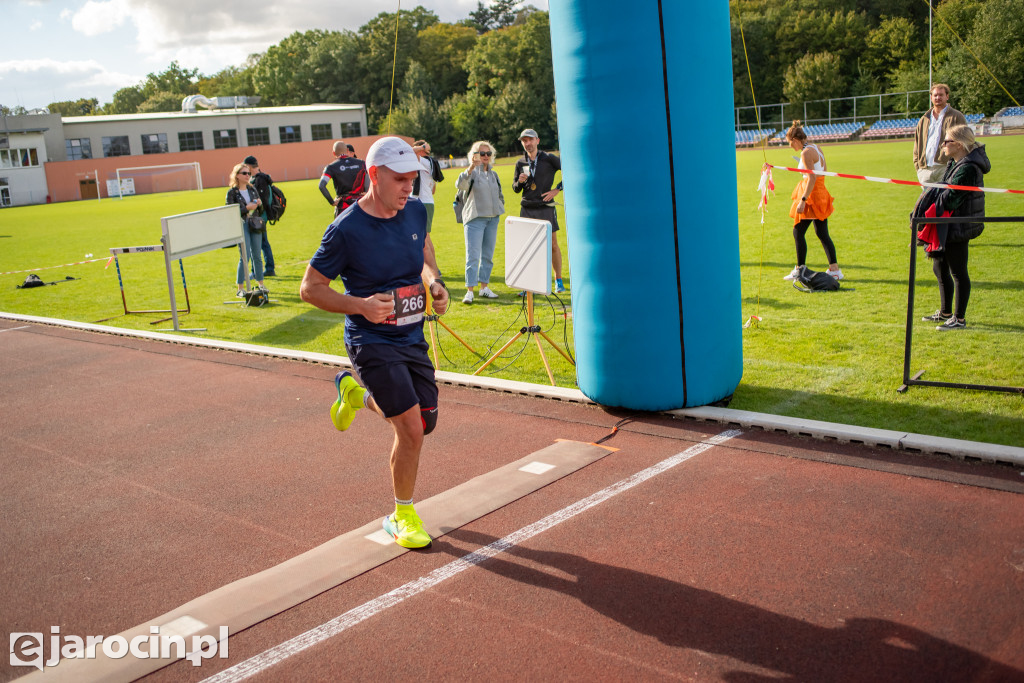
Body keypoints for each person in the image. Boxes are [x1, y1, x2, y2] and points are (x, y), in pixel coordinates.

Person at [299, 137, 449, 549]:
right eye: (400, 180)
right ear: (374, 175)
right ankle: (402, 515)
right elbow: (310, 289)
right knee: (410, 430)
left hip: (411, 335)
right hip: (371, 339)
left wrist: (433, 280)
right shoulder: (346, 229)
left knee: (424, 422)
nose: (408, 188)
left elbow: (422, 246)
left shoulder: (415, 209)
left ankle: (354, 396)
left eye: (412, 180)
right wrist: (361, 305)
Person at [918, 124, 990, 331]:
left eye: (946, 141)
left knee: (958, 272)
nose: (942, 145)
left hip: (958, 226)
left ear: (958, 144)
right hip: (946, 225)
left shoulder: (967, 167)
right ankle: (945, 312)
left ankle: (959, 319)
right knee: (939, 267)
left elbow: (950, 200)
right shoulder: (956, 162)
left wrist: (929, 200)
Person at [783, 121, 843, 281]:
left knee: (798, 231)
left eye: (790, 142)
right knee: (822, 233)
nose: (790, 145)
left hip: (812, 196)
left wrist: (803, 200)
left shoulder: (806, 152)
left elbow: (811, 178)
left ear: (796, 139)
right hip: (821, 192)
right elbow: (822, 171)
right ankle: (835, 270)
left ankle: (799, 270)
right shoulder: (815, 147)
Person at [512, 129, 565, 292]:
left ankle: (558, 280)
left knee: (553, 245)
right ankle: (528, 284)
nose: (527, 143)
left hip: (545, 208)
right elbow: (515, 188)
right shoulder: (520, 162)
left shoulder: (548, 159)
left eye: (530, 140)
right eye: (524, 141)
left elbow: (569, 171)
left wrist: (557, 189)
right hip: (527, 208)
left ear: (537, 140)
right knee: (528, 247)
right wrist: (519, 182)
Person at [456, 140, 505, 304]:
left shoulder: (493, 174)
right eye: (482, 153)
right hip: (475, 219)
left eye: (488, 153)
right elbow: (461, 185)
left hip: (492, 219)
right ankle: (470, 290)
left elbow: (500, 194)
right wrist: (470, 167)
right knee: (473, 256)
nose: (485, 156)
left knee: (488, 256)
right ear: (474, 155)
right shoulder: (472, 173)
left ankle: (484, 288)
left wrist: (500, 207)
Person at [913, 83, 967, 185]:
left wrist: (958, 166)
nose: (938, 97)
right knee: (928, 201)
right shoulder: (924, 119)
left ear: (947, 96)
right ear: (931, 98)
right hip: (925, 170)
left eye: (941, 95)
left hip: (946, 168)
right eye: (935, 95)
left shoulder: (956, 116)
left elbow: (966, 142)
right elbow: (917, 144)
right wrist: (918, 167)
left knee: (945, 200)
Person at [225, 162, 266, 297]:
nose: (248, 175)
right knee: (245, 256)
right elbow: (230, 211)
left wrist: (259, 205)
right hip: (242, 224)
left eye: (248, 173)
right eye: (244, 173)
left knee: (257, 255)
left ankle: (261, 284)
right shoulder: (232, 192)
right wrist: (246, 208)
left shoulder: (252, 189)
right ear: (237, 175)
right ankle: (240, 288)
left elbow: (260, 209)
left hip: (255, 224)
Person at [411, 140, 445, 280]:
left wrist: (423, 147)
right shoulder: (431, 163)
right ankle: (432, 267)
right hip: (427, 201)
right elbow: (434, 189)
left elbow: (410, 151)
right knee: (425, 236)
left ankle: (433, 268)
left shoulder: (422, 161)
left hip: (421, 202)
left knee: (425, 238)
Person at [243, 155, 276, 277]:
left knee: (259, 243)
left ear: (250, 167)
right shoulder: (260, 178)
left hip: (259, 217)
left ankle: (265, 269)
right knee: (262, 242)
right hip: (260, 216)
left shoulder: (259, 179)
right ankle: (268, 268)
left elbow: (263, 201)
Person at [319, 141, 367, 216]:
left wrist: (332, 202)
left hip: (343, 207)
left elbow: (321, 186)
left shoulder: (331, 167)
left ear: (333, 153)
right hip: (361, 205)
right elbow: (374, 176)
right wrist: (368, 192)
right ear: (347, 150)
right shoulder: (362, 163)